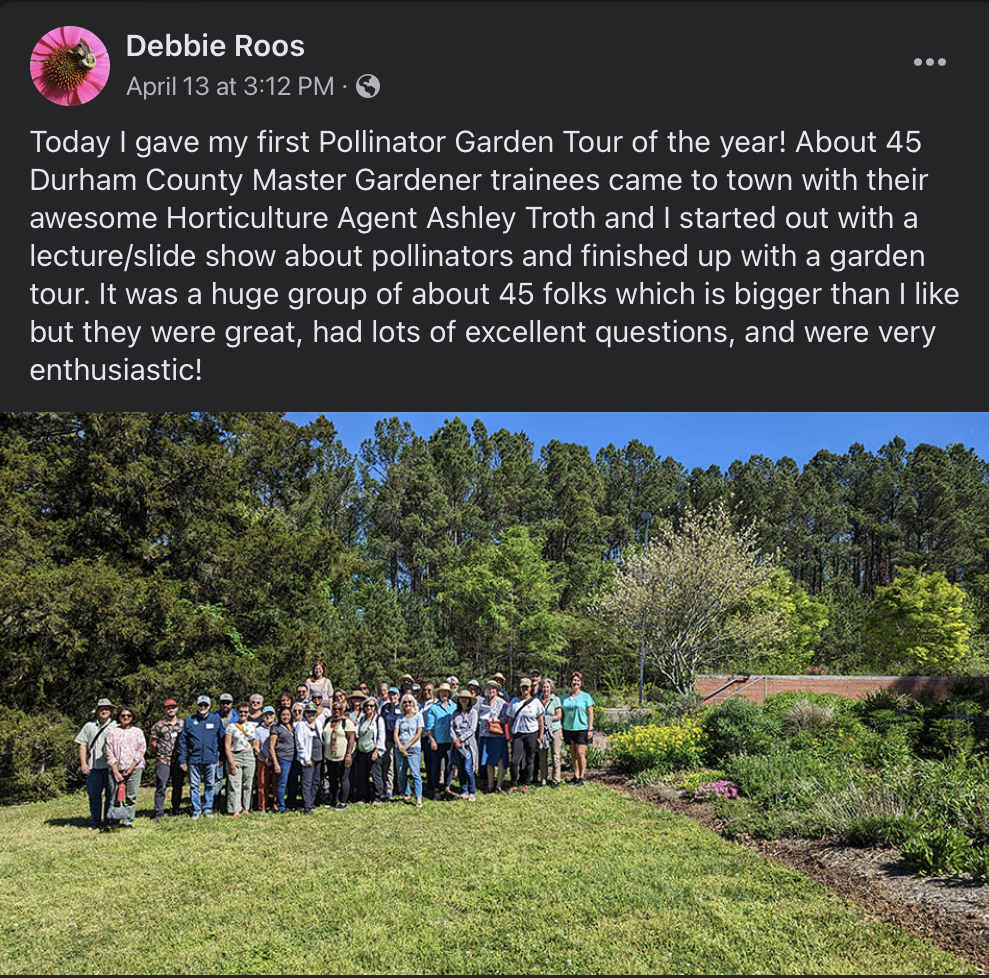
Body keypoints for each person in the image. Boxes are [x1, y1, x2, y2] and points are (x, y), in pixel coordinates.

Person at [177, 696, 224, 819]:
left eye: (205, 705)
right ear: (197, 706)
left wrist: (222, 757)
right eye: (200, 705)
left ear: (209, 706)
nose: (203, 707)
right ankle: (196, 810)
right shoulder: (189, 721)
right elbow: (182, 741)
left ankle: (208, 809)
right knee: (194, 785)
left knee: (210, 784)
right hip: (194, 759)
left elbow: (222, 739)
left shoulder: (216, 719)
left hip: (211, 758)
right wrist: (182, 759)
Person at [75, 698, 117, 829]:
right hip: (93, 768)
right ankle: (95, 822)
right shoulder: (89, 726)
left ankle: (109, 820)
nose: (104, 711)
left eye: (107, 708)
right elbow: (83, 745)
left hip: (111, 768)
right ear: (97, 711)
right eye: (101, 708)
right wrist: (83, 764)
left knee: (111, 796)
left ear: (111, 710)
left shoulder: (116, 726)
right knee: (94, 797)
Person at [105, 707, 147, 828]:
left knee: (131, 796)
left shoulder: (138, 732)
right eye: (123, 715)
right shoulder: (112, 732)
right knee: (115, 795)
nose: (126, 717)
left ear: (132, 717)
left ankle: (128, 821)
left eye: (128, 715)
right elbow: (108, 752)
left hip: (135, 768)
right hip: (116, 769)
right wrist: (115, 771)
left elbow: (141, 749)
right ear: (119, 717)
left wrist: (132, 766)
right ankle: (114, 821)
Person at [507, 678, 544, 794]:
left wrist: (540, 736)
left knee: (530, 759)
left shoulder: (536, 702)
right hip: (518, 734)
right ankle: (513, 784)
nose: (525, 689)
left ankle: (526, 784)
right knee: (514, 760)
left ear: (530, 688)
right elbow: (510, 720)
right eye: (523, 687)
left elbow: (541, 721)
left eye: (527, 687)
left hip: (531, 734)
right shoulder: (514, 701)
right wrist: (511, 735)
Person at [149, 698, 185, 820]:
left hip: (178, 760)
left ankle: (176, 808)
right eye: (168, 708)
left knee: (178, 786)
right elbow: (152, 743)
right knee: (161, 785)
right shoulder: (158, 726)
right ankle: (159, 811)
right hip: (163, 760)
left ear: (177, 708)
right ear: (164, 710)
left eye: (173, 707)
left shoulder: (183, 724)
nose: (171, 710)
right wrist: (160, 752)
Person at [561, 671, 595, 786]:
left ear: (581, 683)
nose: (575, 682)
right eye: (574, 680)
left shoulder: (586, 697)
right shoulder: (564, 697)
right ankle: (575, 776)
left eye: (578, 680)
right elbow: (562, 713)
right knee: (573, 754)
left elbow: (590, 714)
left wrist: (590, 729)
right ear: (571, 682)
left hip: (582, 728)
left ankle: (581, 776)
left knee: (580, 753)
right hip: (568, 728)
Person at [225, 700, 258, 817]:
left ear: (249, 713)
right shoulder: (231, 727)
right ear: (237, 712)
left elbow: (257, 741)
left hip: (249, 757)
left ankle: (246, 807)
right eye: (241, 711)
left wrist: (252, 749)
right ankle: (235, 809)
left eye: (246, 712)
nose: (243, 714)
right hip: (235, 755)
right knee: (234, 784)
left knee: (248, 784)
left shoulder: (254, 726)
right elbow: (227, 746)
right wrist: (231, 762)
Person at [425, 682, 457, 801]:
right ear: (439, 694)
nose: (444, 694)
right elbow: (429, 728)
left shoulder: (453, 707)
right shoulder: (433, 708)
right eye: (442, 692)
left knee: (450, 765)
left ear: (449, 693)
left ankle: (447, 788)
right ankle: (436, 790)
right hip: (437, 742)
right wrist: (432, 740)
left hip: (450, 741)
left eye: (446, 692)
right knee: (435, 767)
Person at [323, 700, 355, 810]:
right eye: (334, 709)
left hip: (343, 756)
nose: (336, 711)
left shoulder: (347, 722)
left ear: (343, 710)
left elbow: (351, 739)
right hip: (330, 756)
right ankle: (333, 800)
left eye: (339, 709)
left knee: (343, 778)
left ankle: (343, 802)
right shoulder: (327, 721)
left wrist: (348, 754)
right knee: (332, 779)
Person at [393, 693, 424, 807]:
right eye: (405, 702)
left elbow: (418, 733)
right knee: (401, 773)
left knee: (415, 773)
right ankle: (406, 794)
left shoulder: (418, 716)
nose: (407, 704)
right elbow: (396, 733)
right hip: (400, 747)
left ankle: (418, 797)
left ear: (413, 703)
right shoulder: (400, 717)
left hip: (413, 748)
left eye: (409, 702)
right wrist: (400, 747)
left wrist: (406, 747)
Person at [354, 697, 386, 804]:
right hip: (361, 751)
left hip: (373, 751)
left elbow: (381, 736)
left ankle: (377, 797)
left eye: (371, 706)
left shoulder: (378, 719)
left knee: (376, 776)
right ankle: (363, 797)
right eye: (367, 706)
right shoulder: (361, 719)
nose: (369, 708)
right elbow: (357, 733)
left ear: (375, 707)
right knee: (362, 776)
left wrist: (377, 750)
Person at [478, 682, 508, 793]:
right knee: (488, 760)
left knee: (500, 760)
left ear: (497, 690)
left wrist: (494, 720)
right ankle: (490, 784)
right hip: (485, 734)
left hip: (497, 734)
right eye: (489, 689)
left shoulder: (502, 702)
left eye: (493, 689)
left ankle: (499, 785)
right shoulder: (484, 702)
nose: (491, 691)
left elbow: (505, 718)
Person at [449, 689, 478, 801]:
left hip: (467, 744)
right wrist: (455, 739)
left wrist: (460, 739)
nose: (464, 700)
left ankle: (472, 791)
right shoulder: (455, 713)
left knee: (468, 768)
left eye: (466, 698)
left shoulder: (473, 713)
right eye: (462, 698)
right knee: (460, 767)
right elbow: (451, 728)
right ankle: (464, 790)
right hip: (456, 745)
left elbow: (472, 729)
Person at [296, 701, 323, 815]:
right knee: (307, 782)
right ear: (305, 713)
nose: (311, 715)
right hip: (308, 758)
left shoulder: (319, 723)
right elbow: (300, 743)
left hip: (319, 757)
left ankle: (311, 802)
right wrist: (306, 758)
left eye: (313, 712)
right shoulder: (301, 725)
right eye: (308, 712)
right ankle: (307, 806)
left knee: (316, 781)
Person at [269, 706, 297, 812]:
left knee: (293, 783)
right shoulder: (276, 728)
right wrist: (276, 763)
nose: (285, 717)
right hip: (282, 759)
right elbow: (271, 747)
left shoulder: (292, 726)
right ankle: (281, 806)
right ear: (279, 716)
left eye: (288, 715)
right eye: (283, 715)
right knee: (282, 783)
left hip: (293, 759)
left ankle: (291, 804)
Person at [537, 679, 564, 788]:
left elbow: (558, 716)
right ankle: (543, 778)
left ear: (551, 688)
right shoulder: (538, 700)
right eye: (544, 687)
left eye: (547, 687)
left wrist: (546, 719)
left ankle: (556, 779)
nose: (545, 689)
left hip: (555, 730)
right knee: (542, 755)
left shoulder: (556, 700)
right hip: (542, 731)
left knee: (555, 755)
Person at [255, 706, 277, 813]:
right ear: (263, 716)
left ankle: (275, 805)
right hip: (263, 760)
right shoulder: (259, 730)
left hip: (276, 760)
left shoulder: (278, 727)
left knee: (276, 784)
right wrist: (265, 759)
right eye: (266, 714)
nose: (269, 716)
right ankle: (262, 806)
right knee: (262, 784)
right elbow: (256, 747)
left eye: (271, 714)